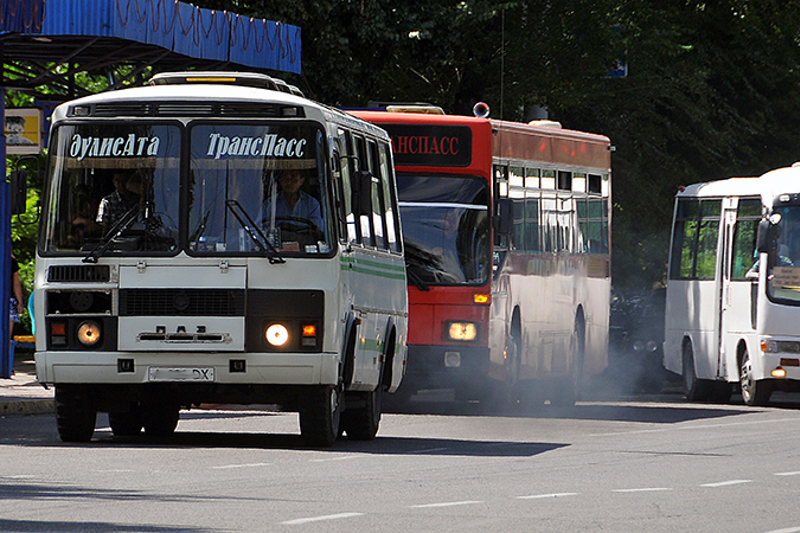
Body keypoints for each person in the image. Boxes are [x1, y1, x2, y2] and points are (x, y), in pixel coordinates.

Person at [262, 167, 324, 238]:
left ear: (301, 181)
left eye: (293, 178)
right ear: (280, 181)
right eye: (284, 178)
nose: (289, 182)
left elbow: (317, 230)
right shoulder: (269, 203)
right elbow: (261, 228)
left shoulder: (312, 203)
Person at [9, 255, 23, 340]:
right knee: (7, 334)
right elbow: (16, 284)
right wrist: (20, 302)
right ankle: (5, 352)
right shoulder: (11, 260)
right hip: (8, 301)